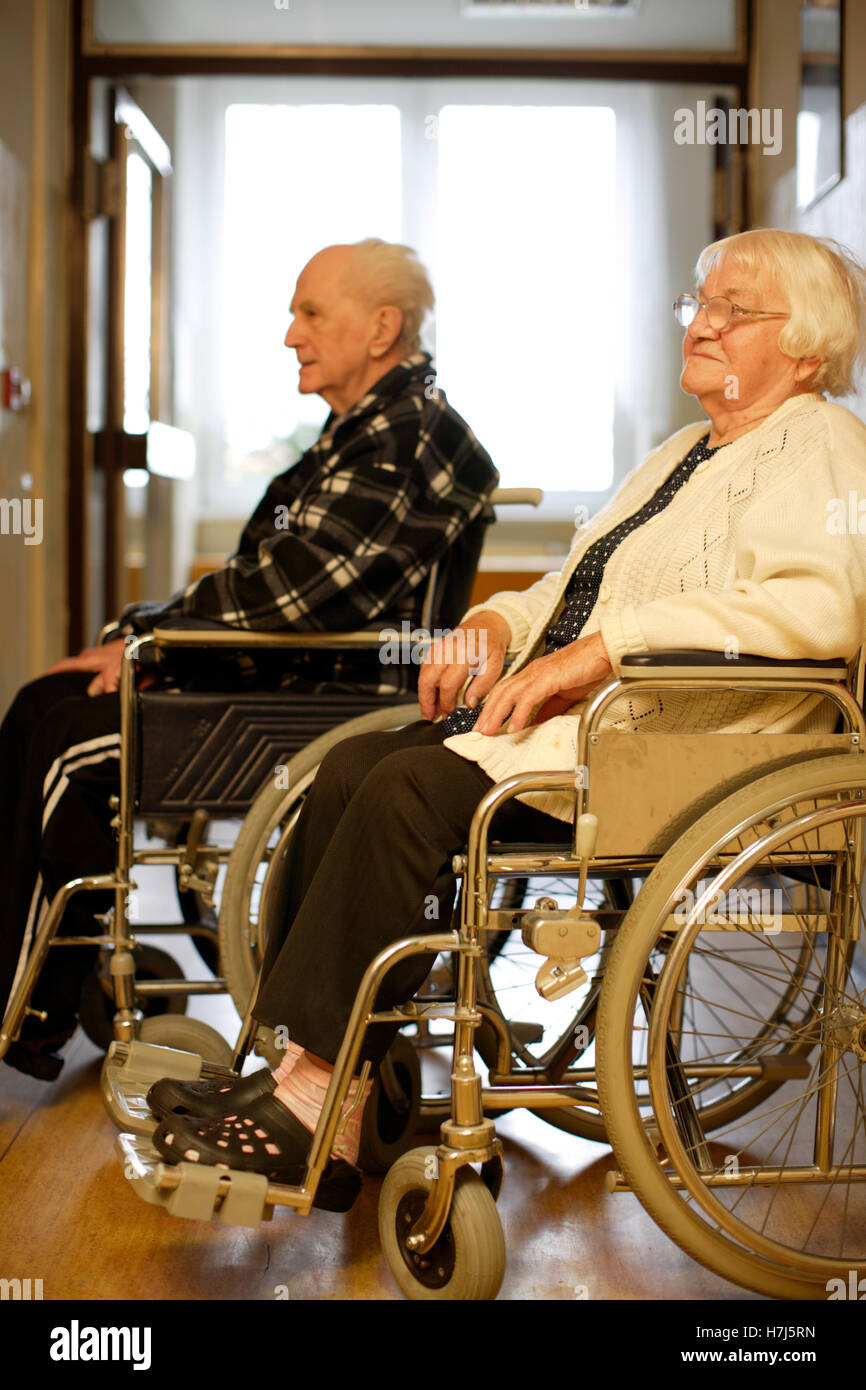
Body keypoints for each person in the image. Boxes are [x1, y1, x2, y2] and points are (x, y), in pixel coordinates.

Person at [150, 227, 866, 1211]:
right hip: (582, 732)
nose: (698, 324)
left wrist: (601, 652)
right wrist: (495, 620)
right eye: (696, 304)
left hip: (680, 751)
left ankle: (317, 1092)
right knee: (354, 769)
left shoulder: (820, 446)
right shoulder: (682, 452)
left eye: (732, 310)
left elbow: (814, 609)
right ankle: (325, 1077)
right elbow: (577, 587)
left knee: (406, 788)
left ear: (804, 343)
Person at [0, 238, 498, 1080]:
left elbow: (298, 593)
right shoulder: (362, 430)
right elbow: (275, 586)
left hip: (337, 705)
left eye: (311, 313)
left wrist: (150, 639)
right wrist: (147, 634)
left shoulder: (409, 437)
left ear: (383, 328)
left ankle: (30, 1001)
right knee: (45, 703)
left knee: (69, 748)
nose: (290, 335)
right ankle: (44, 985)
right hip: (293, 685)